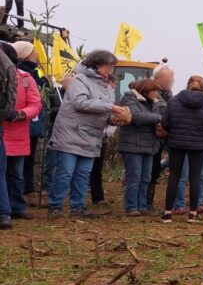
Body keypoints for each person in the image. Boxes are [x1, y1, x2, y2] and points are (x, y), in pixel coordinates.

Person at [47, 50, 131, 219]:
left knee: (83, 174)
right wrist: (111, 108)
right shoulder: (80, 80)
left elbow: (104, 114)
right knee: (66, 172)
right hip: (71, 133)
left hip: (91, 136)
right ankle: (55, 207)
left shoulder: (106, 86)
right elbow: (80, 103)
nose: (111, 70)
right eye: (109, 66)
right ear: (97, 64)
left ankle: (78, 207)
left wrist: (115, 120)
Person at [161, 76, 203, 223]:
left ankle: (167, 213)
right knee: (195, 178)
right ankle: (192, 214)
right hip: (198, 145)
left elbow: (165, 122)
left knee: (174, 177)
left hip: (176, 142)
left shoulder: (174, 101)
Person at [1, 42, 40, 224]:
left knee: (16, 173)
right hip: (3, 129)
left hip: (17, 132)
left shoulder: (25, 78)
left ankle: (16, 206)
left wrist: (21, 114)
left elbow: (36, 104)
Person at [116, 78, 164, 217]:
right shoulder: (129, 99)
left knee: (145, 178)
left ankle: (142, 206)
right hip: (132, 145)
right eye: (154, 91)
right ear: (146, 90)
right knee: (134, 177)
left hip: (149, 145)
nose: (156, 94)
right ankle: (131, 207)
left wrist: (155, 117)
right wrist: (158, 118)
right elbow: (136, 117)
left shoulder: (153, 103)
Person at [147, 65, 175, 210]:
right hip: (151, 137)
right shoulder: (152, 93)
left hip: (160, 139)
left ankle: (148, 202)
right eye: (169, 78)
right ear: (158, 79)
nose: (172, 81)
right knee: (150, 169)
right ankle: (145, 202)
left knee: (155, 168)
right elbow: (163, 112)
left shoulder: (168, 94)